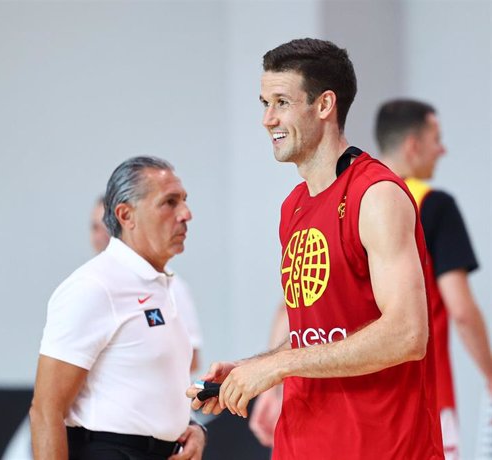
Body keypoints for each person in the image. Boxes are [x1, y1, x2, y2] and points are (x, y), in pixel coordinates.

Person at [187, 38, 444, 458]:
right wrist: (255, 368)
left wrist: (278, 366)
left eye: (282, 102)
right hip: (302, 442)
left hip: (382, 447)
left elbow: (407, 334)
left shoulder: (376, 195)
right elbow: (320, 331)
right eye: (264, 103)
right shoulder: (294, 207)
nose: (268, 119)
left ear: (325, 105)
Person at [31, 156, 206, 459]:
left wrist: (192, 429)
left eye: (184, 201)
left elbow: (143, 385)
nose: (186, 214)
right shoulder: (94, 287)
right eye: (169, 202)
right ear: (126, 215)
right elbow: (46, 411)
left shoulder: (163, 285)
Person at [376, 98, 492, 459]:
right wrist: (490, 374)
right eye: (436, 139)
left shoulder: (349, 204)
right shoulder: (433, 205)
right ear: (413, 145)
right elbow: (460, 309)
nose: (442, 150)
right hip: (425, 399)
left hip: (363, 403)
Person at [89, 196, 204, 373]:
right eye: (95, 228)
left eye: (106, 229)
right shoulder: (86, 286)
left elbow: (192, 359)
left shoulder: (170, 284)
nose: (100, 236)